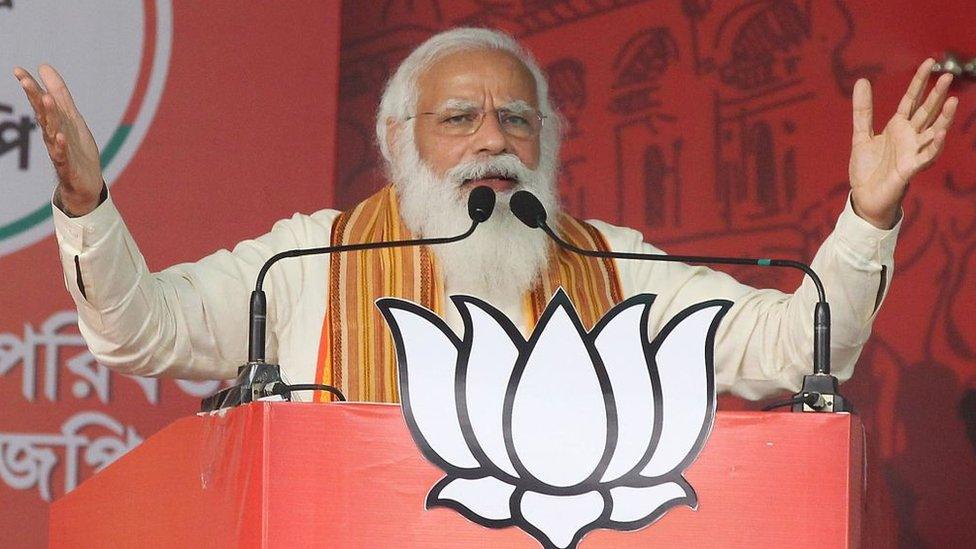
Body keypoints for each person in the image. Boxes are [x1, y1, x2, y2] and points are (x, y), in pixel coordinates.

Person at [12, 28, 957, 403]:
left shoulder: (617, 267)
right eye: (459, 118)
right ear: (398, 137)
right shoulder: (305, 263)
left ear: (545, 140)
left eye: (515, 118)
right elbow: (141, 331)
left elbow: (801, 350)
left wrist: (867, 215)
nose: (491, 140)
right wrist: (88, 203)